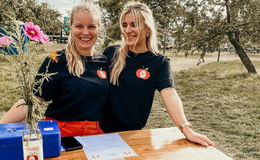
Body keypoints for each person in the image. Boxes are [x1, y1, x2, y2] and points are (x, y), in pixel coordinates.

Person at [100, 2, 214, 147]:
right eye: (124, 25)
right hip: (100, 132)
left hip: (133, 135)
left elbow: (169, 93)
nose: (127, 30)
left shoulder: (159, 62)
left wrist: (187, 129)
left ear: (147, 28)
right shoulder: (111, 53)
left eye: (134, 25)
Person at [0, 2, 109, 137]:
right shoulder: (56, 59)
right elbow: (32, 100)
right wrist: (1, 126)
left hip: (94, 135)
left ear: (98, 29)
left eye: (91, 26)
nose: (85, 32)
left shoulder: (104, 61)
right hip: (61, 134)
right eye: (79, 26)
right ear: (71, 28)